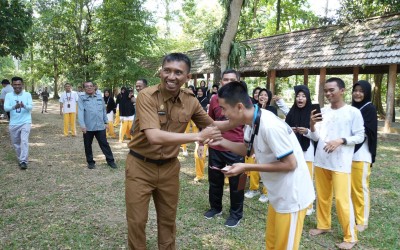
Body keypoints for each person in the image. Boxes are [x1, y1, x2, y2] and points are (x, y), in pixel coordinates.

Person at [124, 53, 229, 249]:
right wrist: (196, 137)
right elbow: (154, 137)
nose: (171, 76)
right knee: (137, 221)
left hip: (169, 169)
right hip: (140, 166)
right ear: (161, 72)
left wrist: (247, 117)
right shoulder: (147, 95)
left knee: (168, 221)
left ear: (187, 77)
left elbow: (212, 126)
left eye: (178, 72)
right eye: (167, 70)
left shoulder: (190, 100)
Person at [208, 81, 315, 249]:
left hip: (291, 196)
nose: (222, 113)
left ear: (239, 107)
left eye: (223, 108)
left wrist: (246, 167)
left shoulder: (270, 126)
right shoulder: (253, 121)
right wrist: (221, 140)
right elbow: (247, 150)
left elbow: (290, 164)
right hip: (278, 193)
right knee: (272, 244)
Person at [308, 77, 364, 250]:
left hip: (341, 163)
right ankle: (323, 225)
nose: (328, 93)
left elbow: (360, 136)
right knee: (323, 197)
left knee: (341, 200)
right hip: (321, 160)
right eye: (325, 91)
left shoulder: (353, 112)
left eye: (331, 90)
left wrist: (341, 140)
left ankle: (350, 236)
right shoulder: (323, 111)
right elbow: (317, 138)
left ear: (342, 90)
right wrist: (311, 126)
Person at [204, 69, 245, 228]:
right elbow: (210, 122)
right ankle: (216, 208)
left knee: (237, 184)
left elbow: (249, 127)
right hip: (216, 147)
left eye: (232, 80)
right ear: (220, 82)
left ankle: (236, 214)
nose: (228, 83)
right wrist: (202, 143)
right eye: (225, 80)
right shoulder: (214, 99)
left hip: (236, 148)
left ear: (238, 82)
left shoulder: (244, 101)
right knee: (214, 181)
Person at [351, 80, 377, 232]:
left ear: (366, 93)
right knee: (351, 188)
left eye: (361, 91)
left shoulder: (369, 109)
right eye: (355, 90)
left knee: (360, 188)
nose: (358, 93)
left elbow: (368, 131)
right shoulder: (351, 108)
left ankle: (362, 220)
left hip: (361, 155)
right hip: (349, 154)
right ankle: (355, 214)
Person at [285, 85, 316, 215]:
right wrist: (290, 131)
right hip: (294, 151)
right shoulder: (291, 112)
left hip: (307, 151)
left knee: (307, 179)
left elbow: (317, 136)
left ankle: (309, 206)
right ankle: (296, 201)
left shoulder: (312, 113)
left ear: (307, 98)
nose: (300, 98)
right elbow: (284, 131)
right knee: (294, 178)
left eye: (303, 96)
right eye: (298, 96)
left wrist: (308, 131)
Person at [78, 81, 117, 169]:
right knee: (87, 145)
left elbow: (103, 110)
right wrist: (82, 125)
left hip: (100, 125)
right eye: (87, 86)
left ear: (94, 87)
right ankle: (90, 162)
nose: (89, 87)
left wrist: (106, 122)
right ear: (84, 88)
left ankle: (110, 161)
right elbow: (80, 112)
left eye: (91, 86)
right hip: (88, 127)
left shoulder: (99, 97)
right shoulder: (82, 98)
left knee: (104, 144)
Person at [4, 77, 33, 169]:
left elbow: (30, 107)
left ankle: (23, 161)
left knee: (24, 141)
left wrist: (24, 105)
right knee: (15, 143)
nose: (17, 86)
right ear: (12, 85)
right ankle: (21, 158)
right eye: (15, 84)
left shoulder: (27, 94)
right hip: (13, 123)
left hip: (25, 121)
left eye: (19, 84)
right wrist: (14, 107)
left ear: (22, 85)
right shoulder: (8, 95)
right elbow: (6, 108)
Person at [193, 87, 210, 181]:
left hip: (218, 135)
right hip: (203, 135)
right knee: (198, 155)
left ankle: (227, 178)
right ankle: (199, 175)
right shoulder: (198, 111)